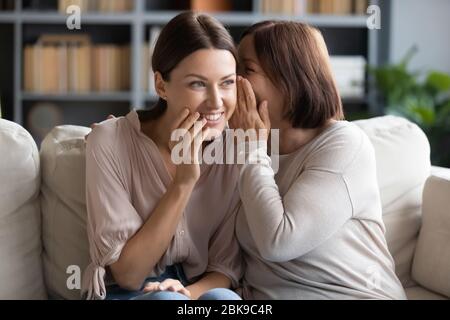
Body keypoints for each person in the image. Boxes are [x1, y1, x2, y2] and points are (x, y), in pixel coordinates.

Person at [230, 20, 407, 300]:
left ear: (289, 78)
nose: (234, 79)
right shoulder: (245, 147)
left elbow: (279, 242)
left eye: (246, 69)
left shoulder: (344, 143)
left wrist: (250, 150)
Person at [81, 11, 243, 300]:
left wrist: (188, 293)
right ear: (161, 85)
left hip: (196, 288)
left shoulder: (233, 149)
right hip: (126, 291)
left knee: (226, 300)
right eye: (198, 83)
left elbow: (224, 268)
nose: (217, 101)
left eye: (227, 83)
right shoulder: (110, 141)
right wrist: (184, 181)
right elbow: (129, 275)